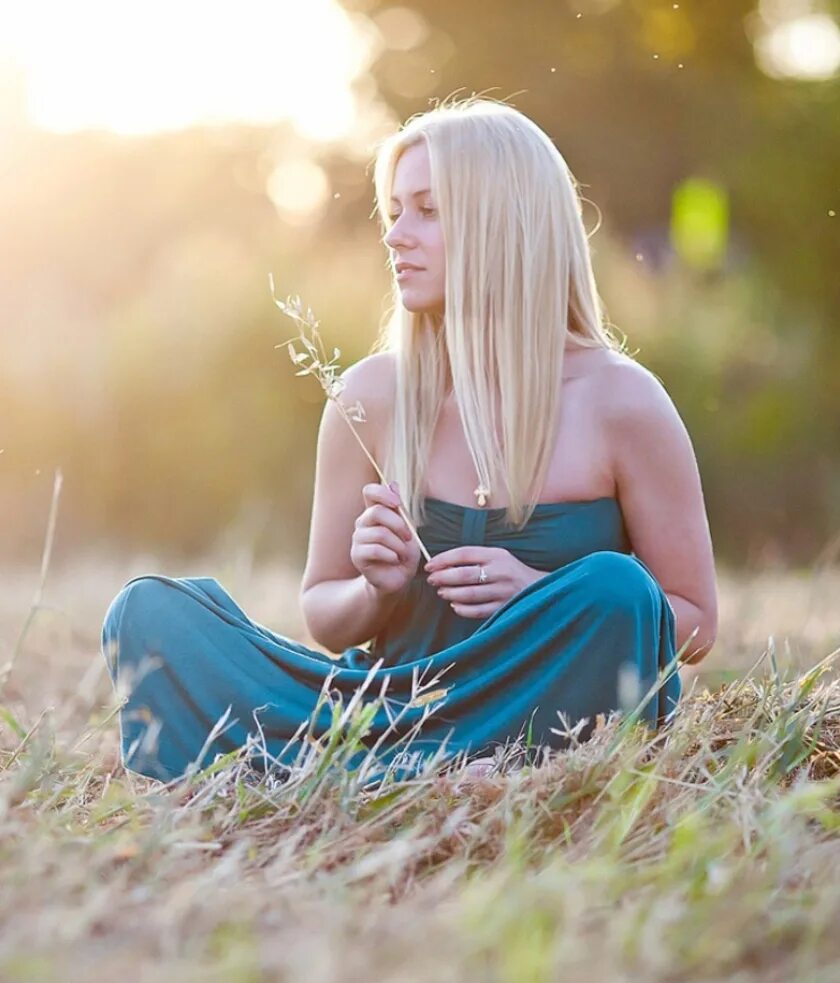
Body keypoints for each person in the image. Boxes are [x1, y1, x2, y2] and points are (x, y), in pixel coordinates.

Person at [101, 97, 718, 787]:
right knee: (150, 614)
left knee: (615, 588)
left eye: (428, 210)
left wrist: (541, 595)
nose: (396, 236)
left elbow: (692, 624)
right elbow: (325, 615)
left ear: (505, 221)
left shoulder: (624, 403)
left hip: (544, 715)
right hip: (384, 710)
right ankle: (406, 773)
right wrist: (374, 591)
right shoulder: (369, 399)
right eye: (394, 212)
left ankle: (348, 778)